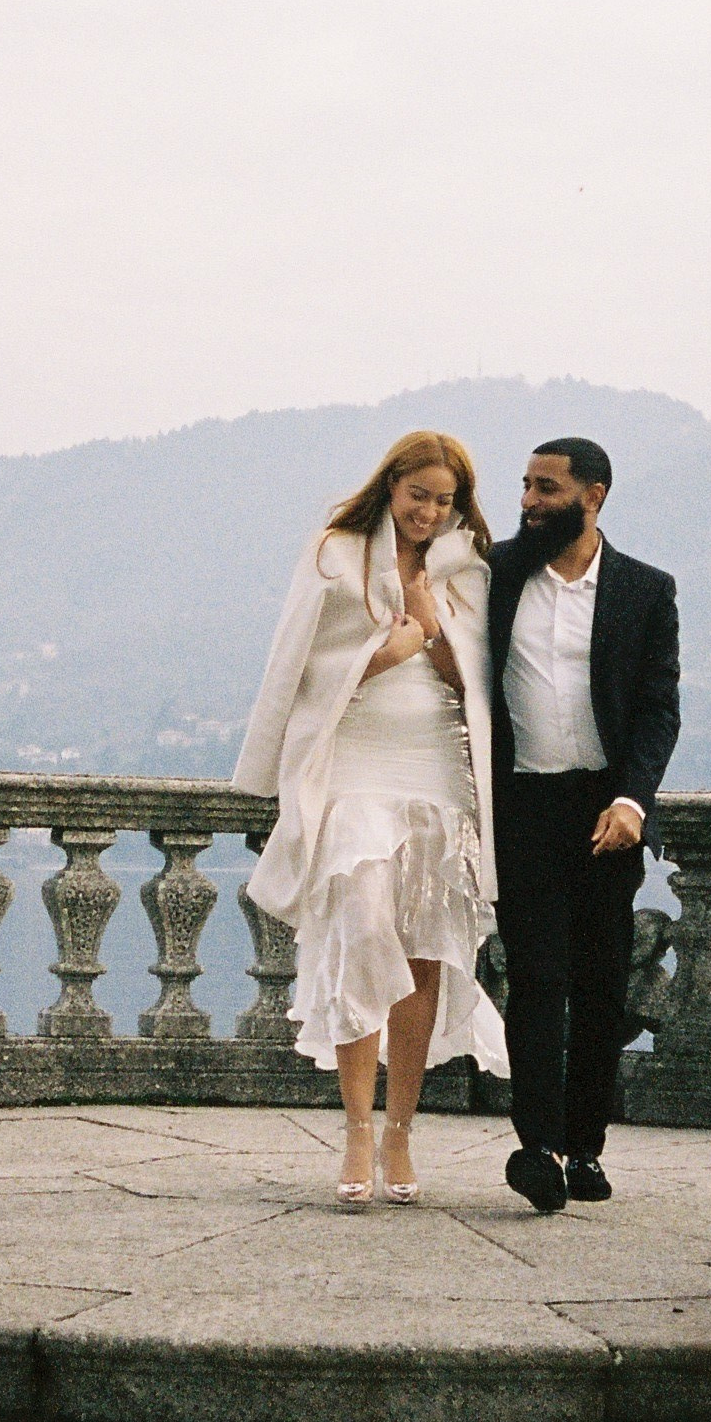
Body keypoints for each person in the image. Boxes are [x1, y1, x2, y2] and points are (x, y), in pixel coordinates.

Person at [235, 430, 508, 1206]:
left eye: (444, 501)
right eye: (418, 495)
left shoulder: (468, 567)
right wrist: (382, 654)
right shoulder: (336, 553)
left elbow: (476, 682)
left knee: (423, 949)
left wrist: (430, 622)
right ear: (390, 485)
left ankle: (400, 1133)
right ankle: (357, 1129)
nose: (429, 512)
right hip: (354, 763)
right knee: (360, 931)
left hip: (438, 768)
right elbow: (297, 663)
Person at [487, 436, 681, 1212]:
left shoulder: (645, 590)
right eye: (525, 485)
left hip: (607, 812)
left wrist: (633, 802)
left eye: (546, 488)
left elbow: (658, 709)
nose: (528, 501)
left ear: (592, 496)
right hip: (522, 808)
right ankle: (536, 1146)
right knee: (536, 978)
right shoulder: (494, 574)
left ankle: (586, 1148)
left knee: (601, 986)